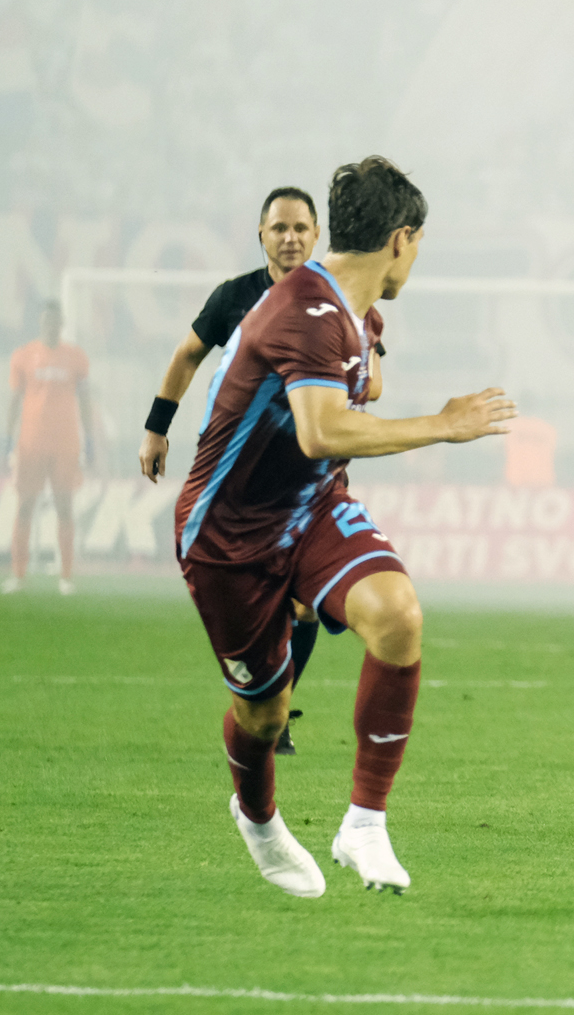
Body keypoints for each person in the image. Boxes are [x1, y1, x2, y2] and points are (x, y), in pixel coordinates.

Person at [175, 156, 515, 897]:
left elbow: (344, 399)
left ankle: (364, 823)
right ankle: (259, 818)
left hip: (313, 506)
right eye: (418, 244)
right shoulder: (305, 311)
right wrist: (444, 426)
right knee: (263, 715)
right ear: (401, 239)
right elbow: (322, 432)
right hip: (228, 535)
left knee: (397, 616)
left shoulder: (352, 312)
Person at [140, 185, 382, 755]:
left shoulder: (347, 301)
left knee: (303, 603)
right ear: (261, 235)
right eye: (279, 228)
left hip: (311, 475)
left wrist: (348, 382)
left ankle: (279, 708)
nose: (291, 237)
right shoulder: (237, 297)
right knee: (265, 597)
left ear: (318, 234)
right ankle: (264, 707)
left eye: (301, 228)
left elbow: (374, 376)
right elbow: (187, 355)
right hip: (242, 481)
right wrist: (156, 427)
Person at [3, 302, 95, 595]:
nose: (50, 326)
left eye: (55, 321)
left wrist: (90, 439)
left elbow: (85, 400)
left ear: (62, 323)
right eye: (46, 321)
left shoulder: (76, 358)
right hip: (30, 444)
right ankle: (18, 575)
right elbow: (15, 399)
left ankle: (66, 576)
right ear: (40, 323)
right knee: (25, 505)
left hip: (65, 444)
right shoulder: (24, 356)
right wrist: (8, 438)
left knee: (64, 506)